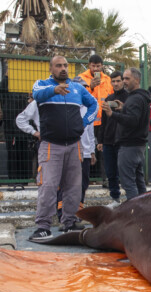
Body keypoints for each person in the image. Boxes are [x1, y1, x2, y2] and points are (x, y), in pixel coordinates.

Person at [30, 56, 98, 240]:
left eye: (66, 65)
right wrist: (54, 90)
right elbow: (36, 94)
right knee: (48, 186)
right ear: (51, 68)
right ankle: (43, 226)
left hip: (74, 145)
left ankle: (69, 223)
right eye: (59, 65)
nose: (63, 68)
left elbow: (94, 104)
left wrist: (83, 123)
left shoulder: (77, 88)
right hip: (51, 145)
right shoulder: (42, 84)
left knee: (74, 187)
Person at [102, 68, 151, 200]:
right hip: (137, 146)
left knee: (129, 183)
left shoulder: (135, 98)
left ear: (137, 80)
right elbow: (135, 116)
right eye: (123, 78)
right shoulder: (140, 97)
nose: (124, 82)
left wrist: (113, 114)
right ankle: (143, 212)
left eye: (127, 79)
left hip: (129, 146)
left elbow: (132, 121)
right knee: (139, 183)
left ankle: (134, 215)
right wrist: (124, 108)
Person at [99, 71, 128, 204]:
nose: (116, 84)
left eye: (118, 81)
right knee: (111, 173)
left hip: (124, 141)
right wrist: (100, 140)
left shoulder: (129, 98)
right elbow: (103, 122)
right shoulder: (108, 98)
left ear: (123, 81)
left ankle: (131, 200)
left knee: (125, 173)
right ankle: (115, 198)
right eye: (113, 81)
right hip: (108, 141)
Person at [71, 76, 97, 204]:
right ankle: (66, 211)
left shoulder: (89, 108)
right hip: (71, 151)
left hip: (85, 153)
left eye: (85, 88)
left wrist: (92, 151)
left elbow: (90, 133)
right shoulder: (69, 106)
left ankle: (78, 209)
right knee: (70, 183)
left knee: (83, 183)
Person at [77, 54, 114, 135]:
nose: (95, 69)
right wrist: (91, 87)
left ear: (102, 66)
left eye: (98, 66)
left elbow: (112, 98)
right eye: (93, 66)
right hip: (88, 120)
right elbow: (78, 97)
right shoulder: (81, 78)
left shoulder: (108, 80)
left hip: (104, 121)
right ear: (89, 65)